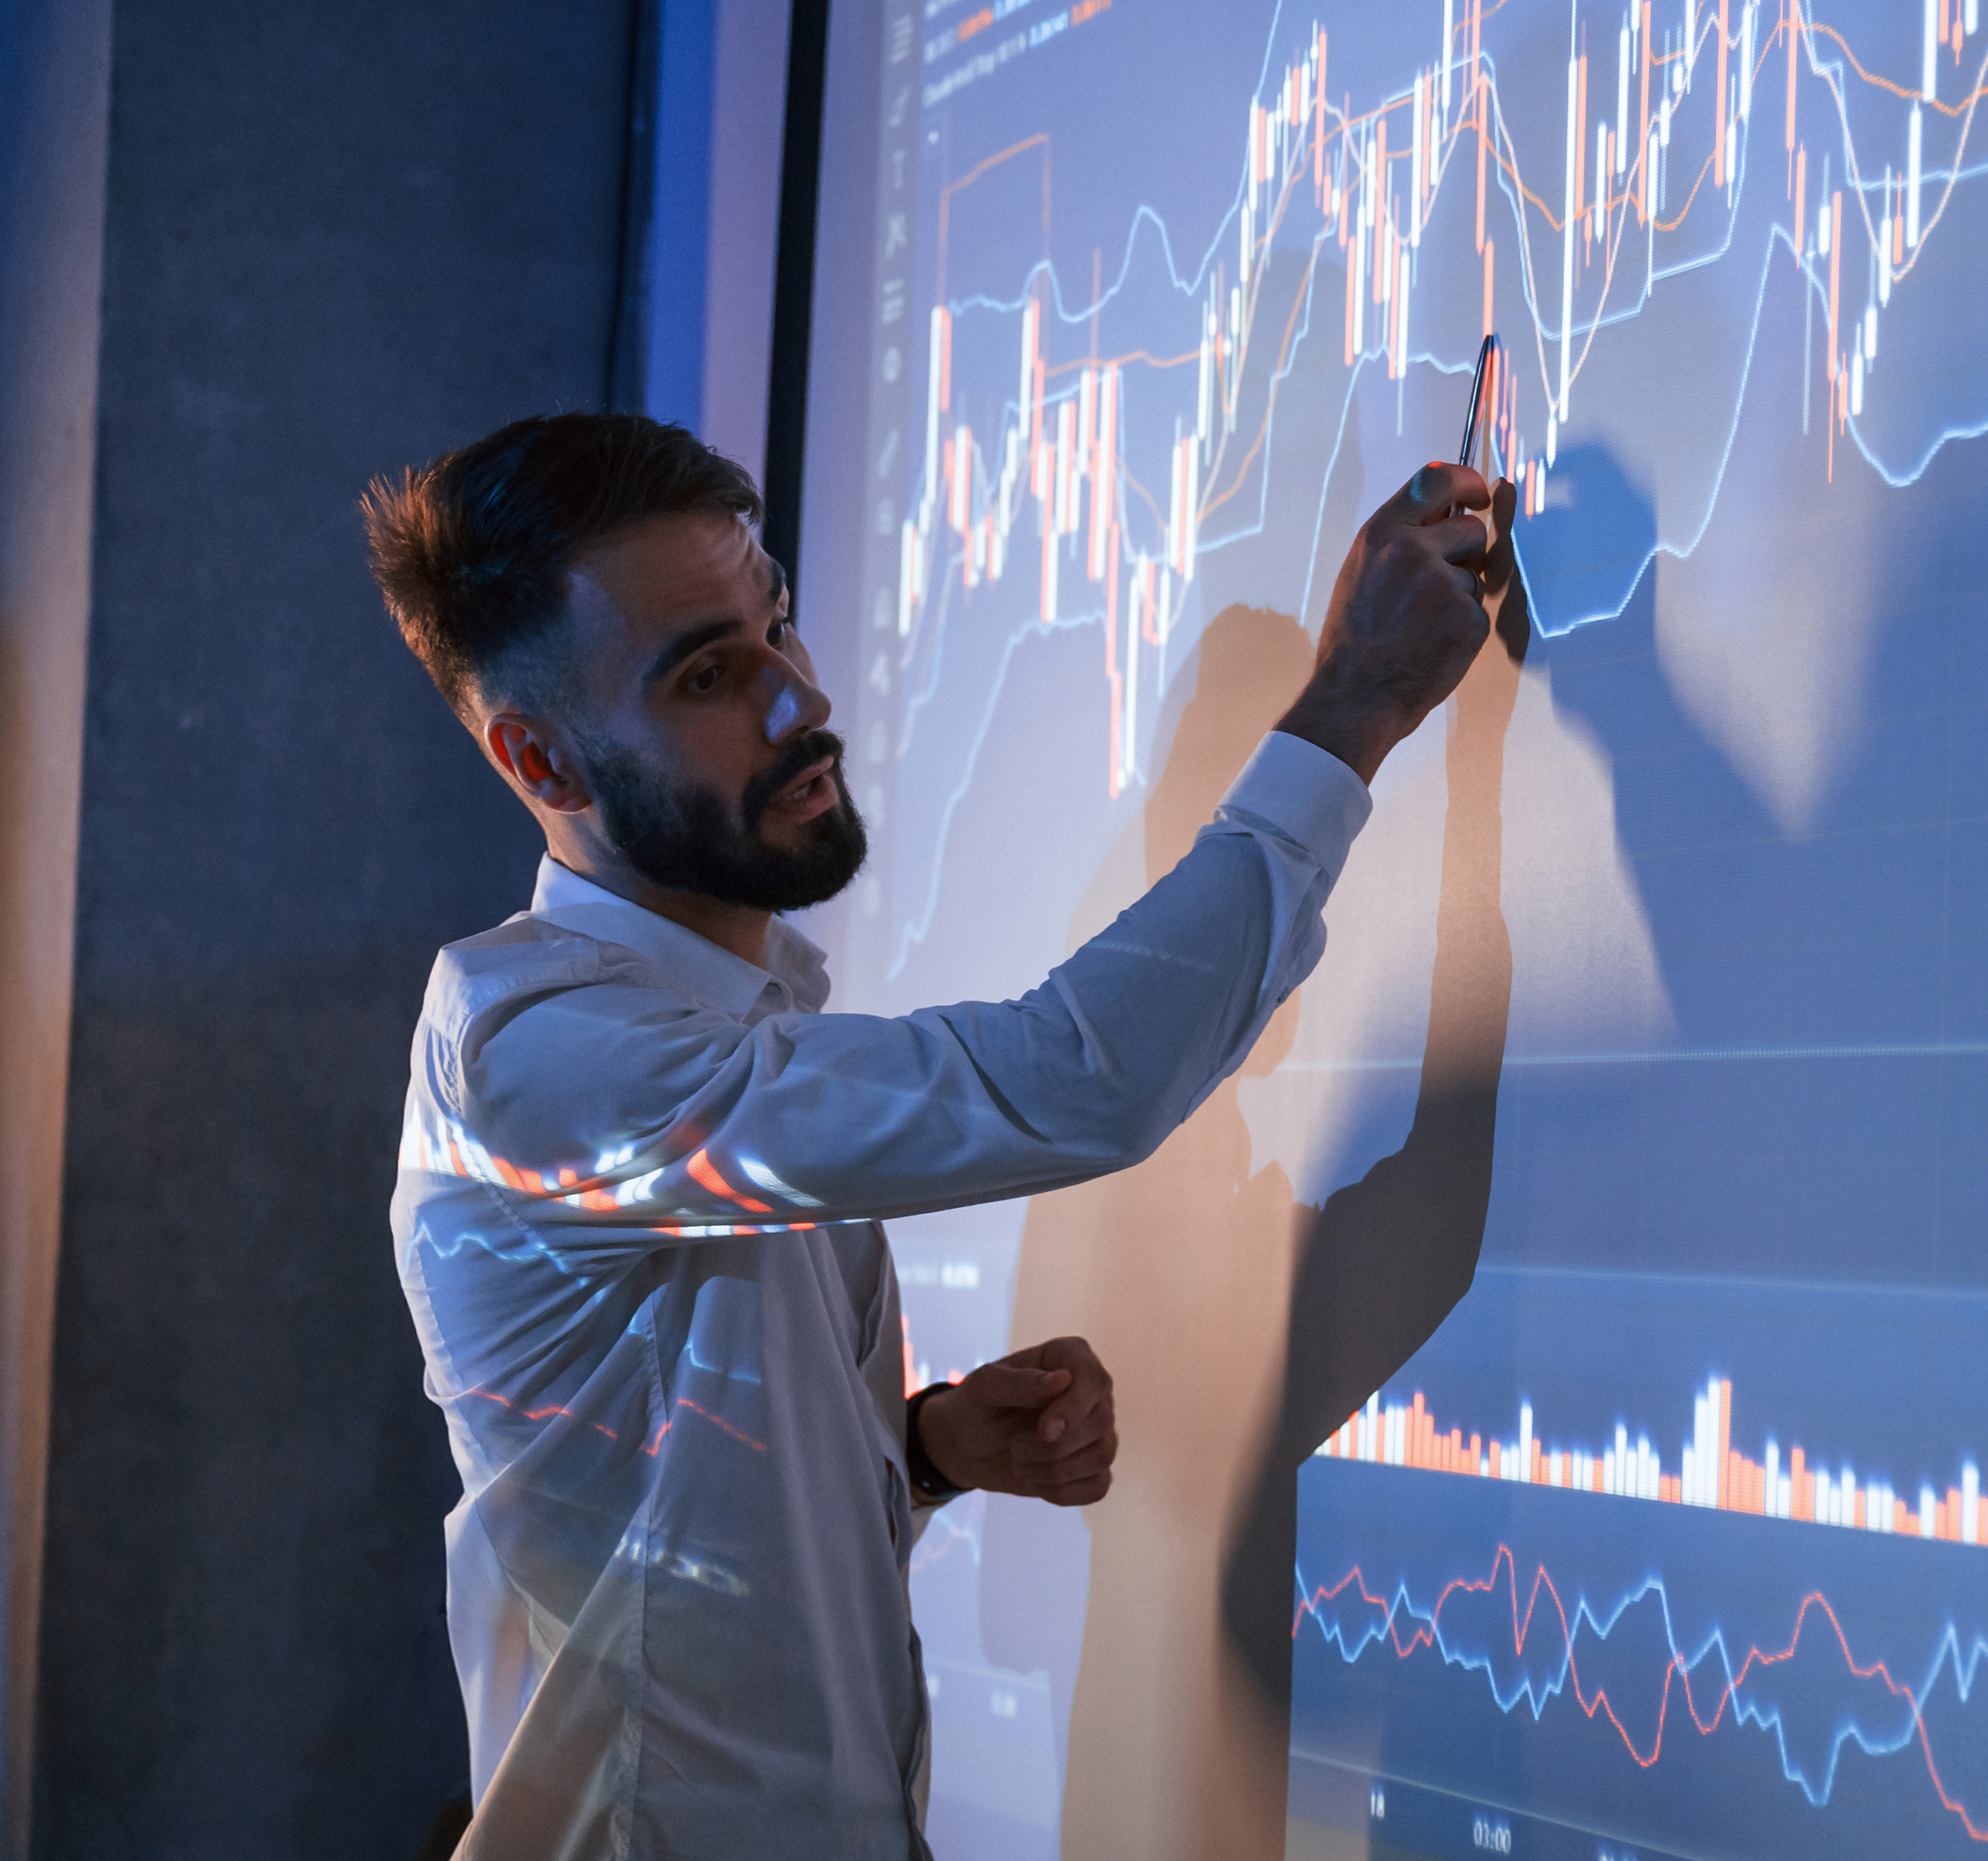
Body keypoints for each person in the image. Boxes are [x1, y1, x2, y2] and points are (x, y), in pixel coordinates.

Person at [366, 411, 1514, 1859]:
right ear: (543, 760)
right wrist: (1354, 706)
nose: (798, 699)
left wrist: (915, 1453)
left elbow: (665, 1539)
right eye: (709, 676)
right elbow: (1077, 1080)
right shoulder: (539, 1057)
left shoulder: (713, 1028)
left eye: (777, 623)